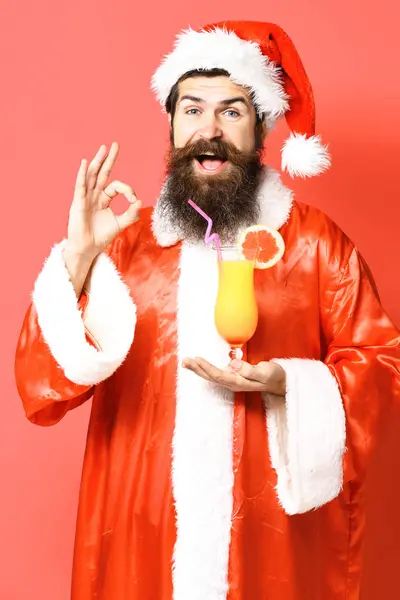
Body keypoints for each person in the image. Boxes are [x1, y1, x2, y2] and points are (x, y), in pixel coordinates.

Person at [14, 19, 400, 600]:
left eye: (232, 111)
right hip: (140, 523)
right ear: (171, 124)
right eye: (192, 110)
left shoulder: (315, 244)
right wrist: (76, 258)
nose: (209, 130)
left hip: (267, 535)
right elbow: (42, 386)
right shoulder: (124, 242)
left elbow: (380, 365)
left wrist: (288, 384)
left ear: (261, 127)